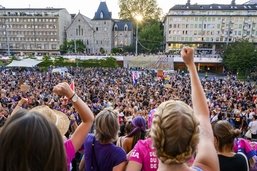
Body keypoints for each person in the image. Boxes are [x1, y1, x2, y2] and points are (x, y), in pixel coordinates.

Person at [149, 47, 219, 171]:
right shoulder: (208, 167)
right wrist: (191, 65)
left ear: (154, 138)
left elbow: (202, 115)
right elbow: (202, 115)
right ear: (194, 141)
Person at [0, 82, 94, 171]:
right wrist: (71, 94)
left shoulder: (9, 156)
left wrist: (19, 104)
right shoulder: (61, 153)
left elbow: (9, 127)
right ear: (54, 131)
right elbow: (88, 119)